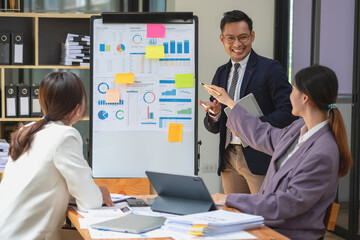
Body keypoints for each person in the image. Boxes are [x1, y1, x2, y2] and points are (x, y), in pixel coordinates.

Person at [207, 65, 352, 240]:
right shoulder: (299, 128)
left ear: (304, 98)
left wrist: (229, 198)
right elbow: (264, 134)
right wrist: (229, 103)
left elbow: (286, 203)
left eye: (293, 90)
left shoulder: (323, 152)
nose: (290, 95)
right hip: (270, 225)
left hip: (287, 234)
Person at [0, 72, 114, 240]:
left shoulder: (29, 130)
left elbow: (44, 182)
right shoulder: (65, 136)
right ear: (78, 108)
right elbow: (90, 202)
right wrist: (100, 190)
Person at [199, 10, 296, 194]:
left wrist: (254, 126)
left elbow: (289, 112)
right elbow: (213, 127)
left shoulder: (270, 69)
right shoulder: (221, 73)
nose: (237, 44)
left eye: (243, 37)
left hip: (260, 157)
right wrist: (214, 114)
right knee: (234, 216)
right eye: (230, 38)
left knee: (263, 217)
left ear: (252, 36)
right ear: (222, 39)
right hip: (229, 158)